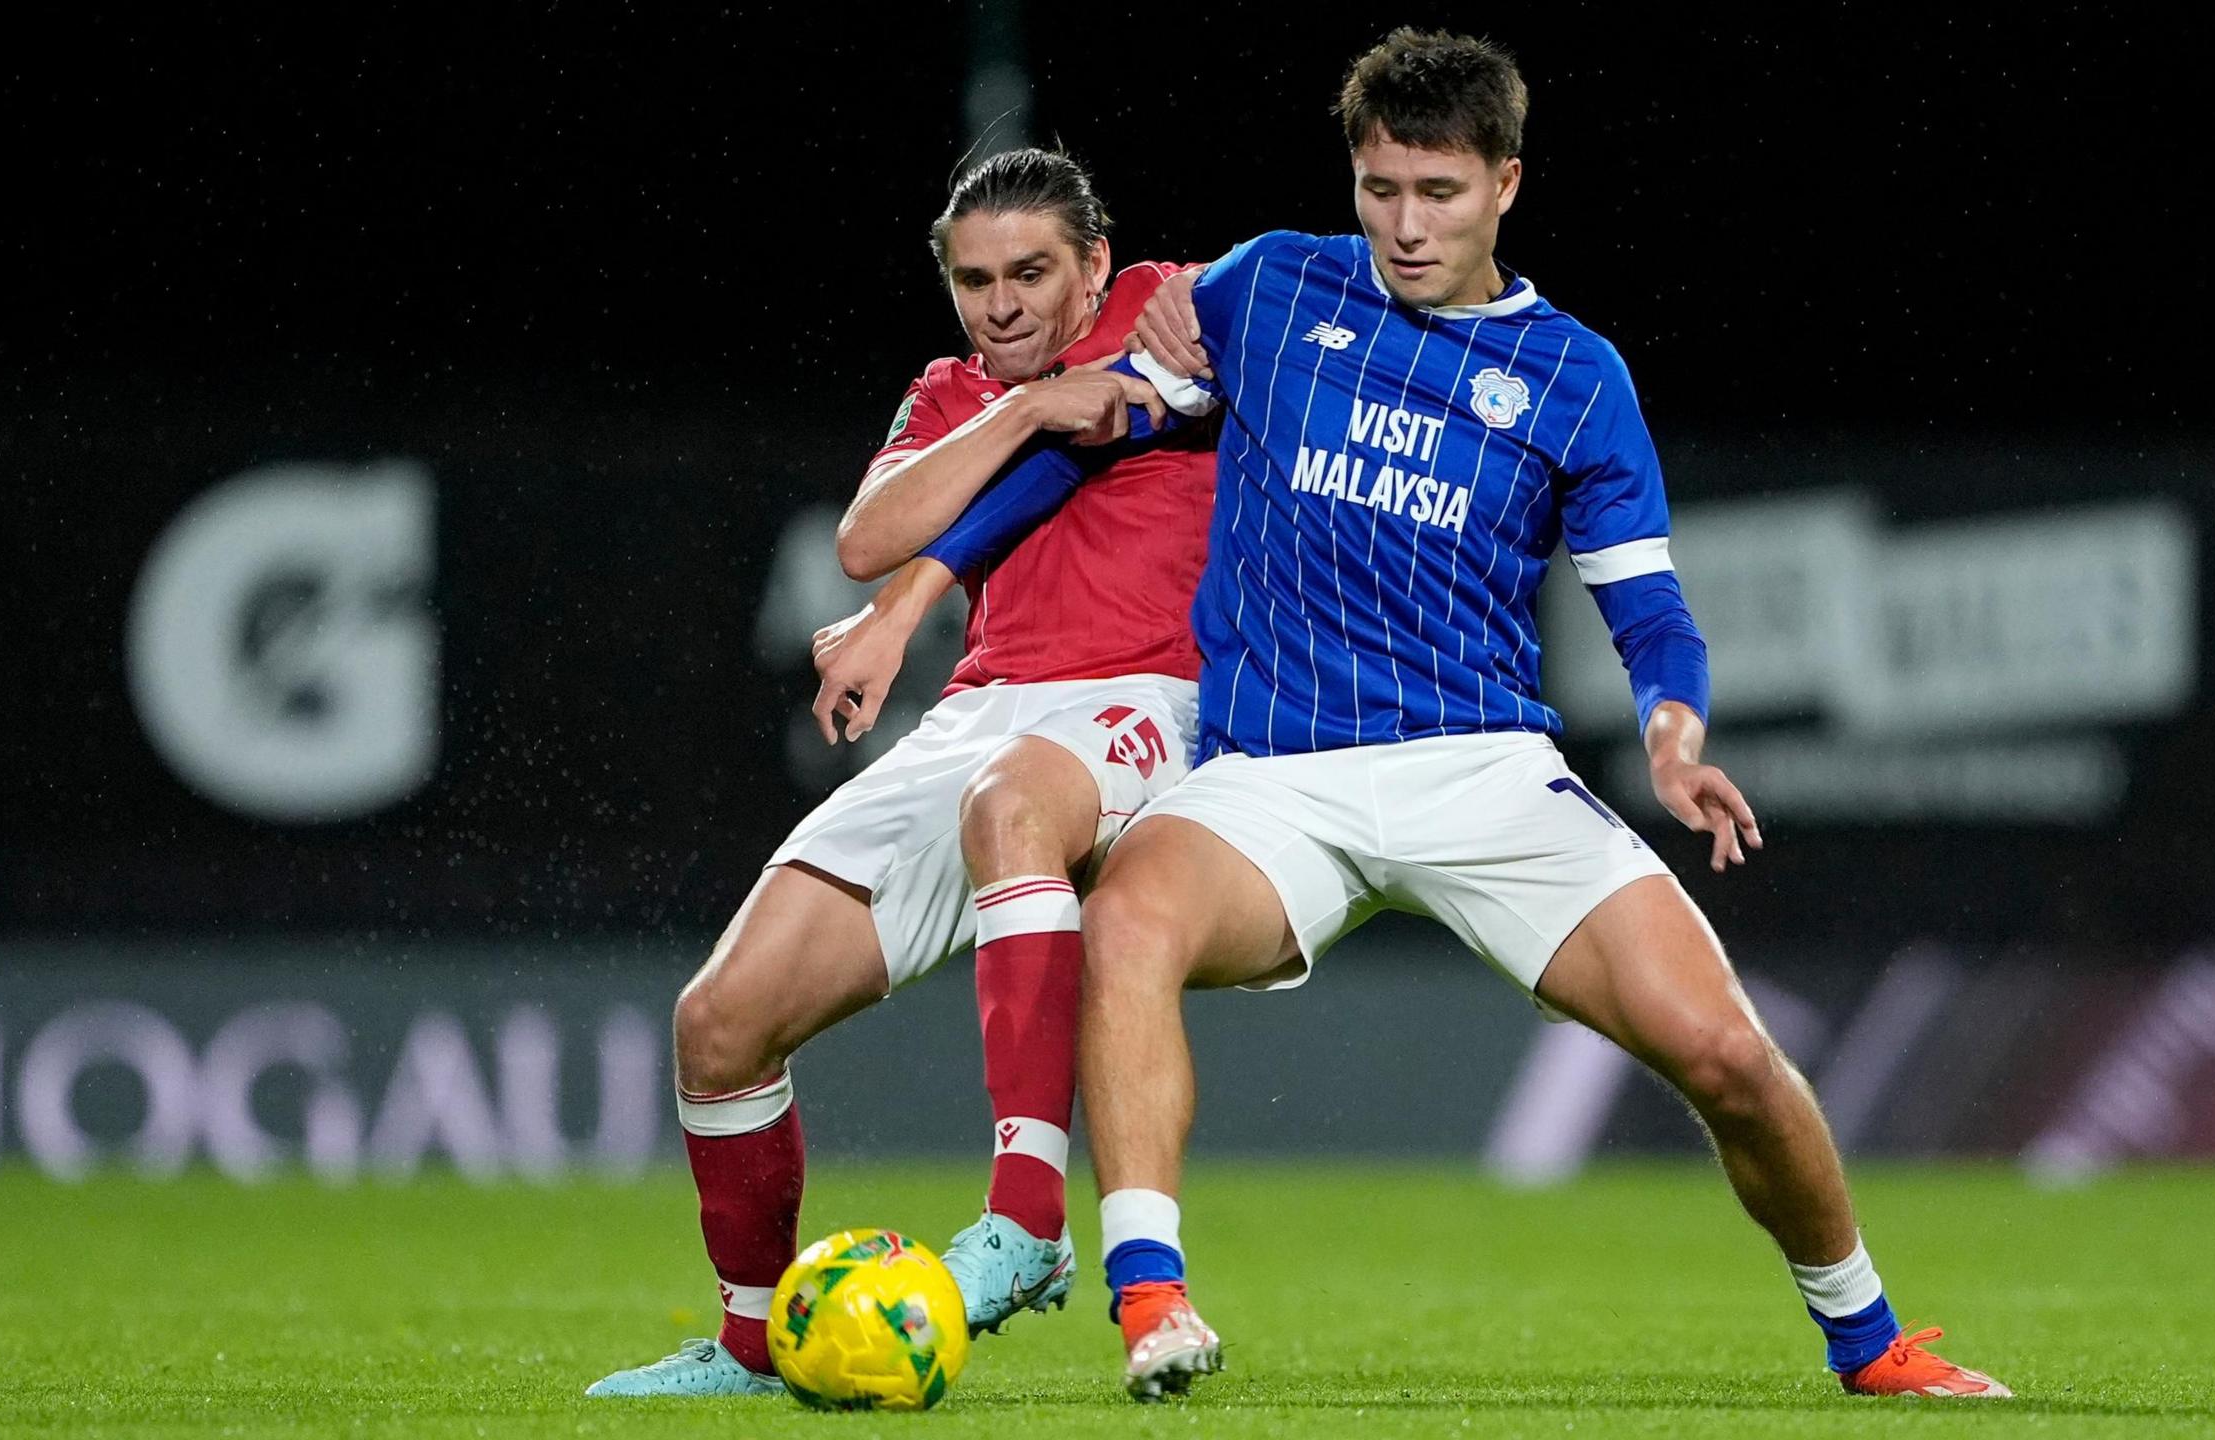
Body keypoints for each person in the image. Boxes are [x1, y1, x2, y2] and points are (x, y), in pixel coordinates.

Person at [918, 28, 2010, 1403]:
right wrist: (919, 591)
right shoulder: (1268, 289)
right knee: (1128, 913)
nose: (1405, 224)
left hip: (1481, 769)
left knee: (1730, 1057)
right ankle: (1151, 1302)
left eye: (1437, 193)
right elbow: (1097, 432)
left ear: (1505, 183)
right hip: (1276, 772)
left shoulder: (1574, 377)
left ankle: (1871, 1339)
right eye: (1380, 189)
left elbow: (1650, 609)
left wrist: (1675, 727)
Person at [586, 147, 1216, 1398]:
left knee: (1013, 806)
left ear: (1095, 262)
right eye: (975, 281)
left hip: (1151, 694)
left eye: (1033, 271)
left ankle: (1027, 1218)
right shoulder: (949, 396)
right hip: (981, 713)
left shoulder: (1174, 300)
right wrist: (1029, 403)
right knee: (718, 1024)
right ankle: (754, 1347)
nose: (1003, 304)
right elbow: (868, 535)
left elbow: (1197, 368)